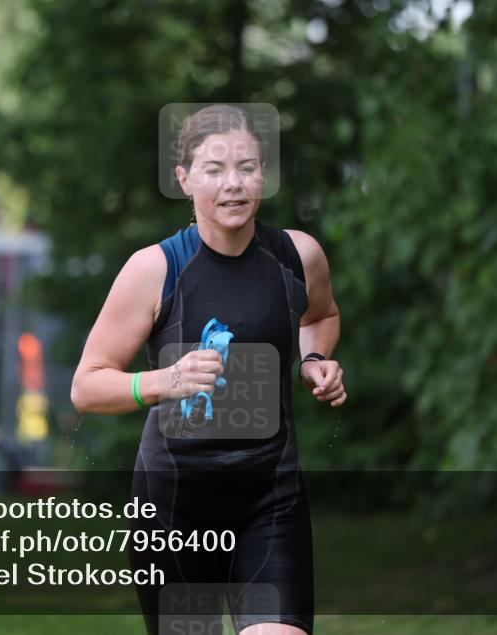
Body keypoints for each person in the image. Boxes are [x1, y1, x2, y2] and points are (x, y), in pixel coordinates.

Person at [70, 104, 346, 635]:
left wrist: (314, 360)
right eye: (214, 170)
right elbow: (87, 385)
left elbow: (322, 316)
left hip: (270, 500)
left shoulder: (297, 257)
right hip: (174, 508)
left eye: (247, 168)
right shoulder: (155, 269)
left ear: (264, 173)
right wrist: (164, 381)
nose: (233, 184)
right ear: (184, 179)